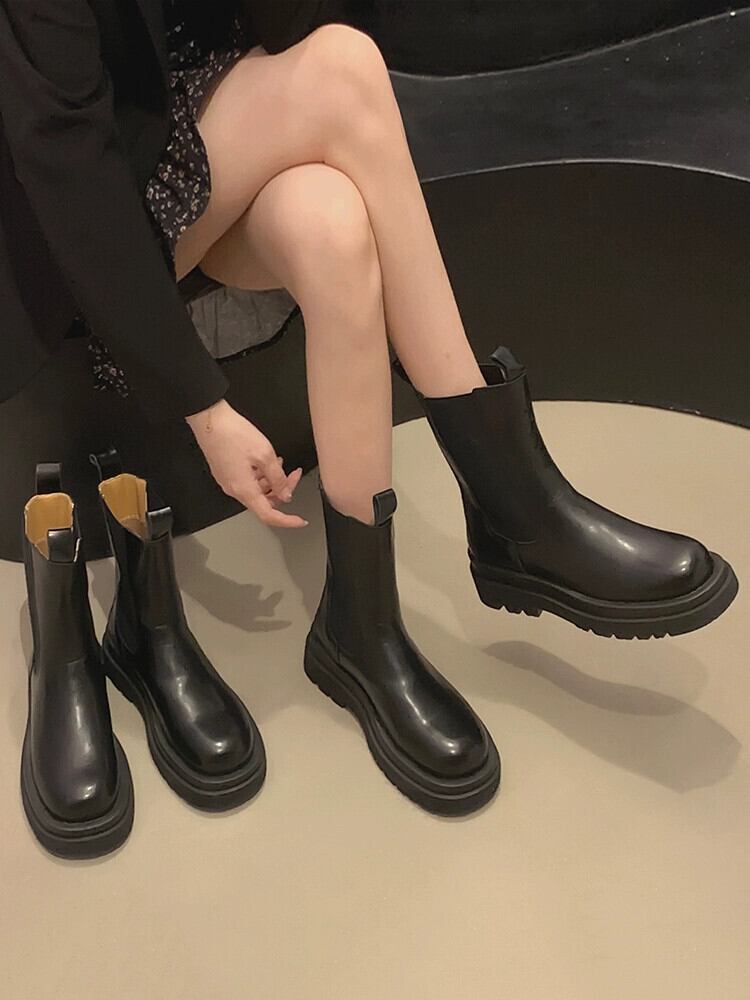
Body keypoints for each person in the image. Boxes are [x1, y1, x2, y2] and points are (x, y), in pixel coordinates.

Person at [1, 1, 737, 825]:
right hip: (91, 214)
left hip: (218, 128)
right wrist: (204, 408)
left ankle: (361, 628)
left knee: (334, 229)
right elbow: (65, 158)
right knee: (344, 68)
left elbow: (295, 21)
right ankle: (514, 501)